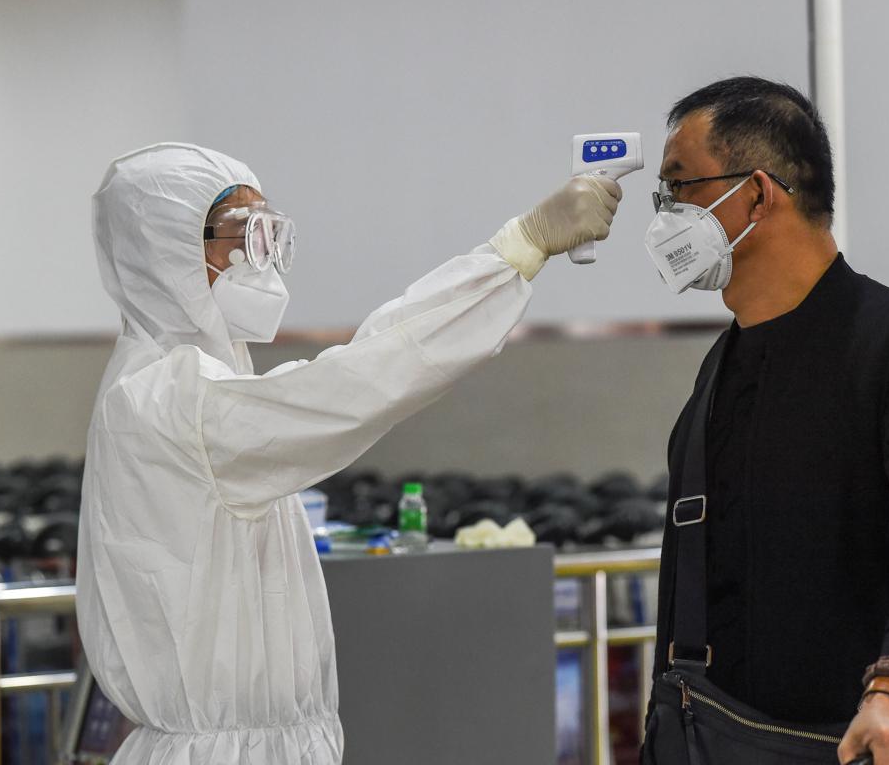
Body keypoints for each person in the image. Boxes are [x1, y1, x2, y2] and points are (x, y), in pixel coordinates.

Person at [75, 142, 621, 763]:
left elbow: (362, 364)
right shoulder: (163, 399)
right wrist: (518, 249)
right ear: (165, 253)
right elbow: (360, 381)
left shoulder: (197, 385)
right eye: (243, 236)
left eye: (270, 234)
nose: (264, 261)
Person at [642, 79, 889, 765]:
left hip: (856, 742)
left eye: (679, 186)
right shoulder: (721, 367)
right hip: (718, 737)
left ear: (757, 193)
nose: (666, 213)